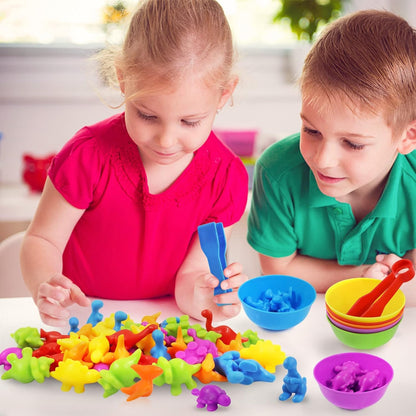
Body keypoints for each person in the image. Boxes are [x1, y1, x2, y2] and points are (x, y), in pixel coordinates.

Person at [20, 0, 249, 326]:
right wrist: (45, 284)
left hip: (163, 329)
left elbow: (191, 276)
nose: (166, 140)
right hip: (81, 323)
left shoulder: (224, 179)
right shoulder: (87, 156)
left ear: (224, 94)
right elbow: (42, 240)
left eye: (190, 121)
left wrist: (202, 297)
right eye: (147, 115)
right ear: (124, 80)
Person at [247, 10, 416, 303]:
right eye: (311, 130)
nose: (323, 159)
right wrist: (361, 276)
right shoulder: (276, 172)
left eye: (352, 143)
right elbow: (278, 270)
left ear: (407, 138)